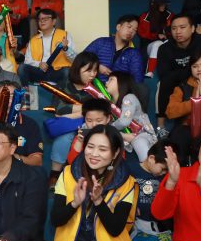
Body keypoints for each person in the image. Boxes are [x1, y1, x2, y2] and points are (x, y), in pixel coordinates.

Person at [48, 52, 99, 181]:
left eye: (95, 70)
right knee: (65, 137)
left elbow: (100, 109)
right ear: (78, 69)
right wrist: (85, 108)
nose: (93, 74)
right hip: (68, 126)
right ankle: (55, 174)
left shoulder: (97, 88)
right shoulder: (64, 85)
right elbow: (58, 109)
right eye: (89, 70)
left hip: (90, 124)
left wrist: (74, 112)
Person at [156, 15, 201, 130]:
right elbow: (163, 74)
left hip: (198, 79)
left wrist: (183, 73)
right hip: (175, 82)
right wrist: (189, 71)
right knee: (163, 83)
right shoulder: (164, 48)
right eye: (174, 28)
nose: (178, 32)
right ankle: (160, 126)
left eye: (182, 27)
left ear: (192, 29)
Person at [125, 140, 174, 241]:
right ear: (151, 158)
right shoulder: (130, 169)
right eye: (163, 168)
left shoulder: (163, 178)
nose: (164, 173)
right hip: (132, 223)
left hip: (152, 224)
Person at [105, 71, 157, 161]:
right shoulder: (110, 102)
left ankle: (149, 164)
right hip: (125, 135)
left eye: (111, 79)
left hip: (140, 133)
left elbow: (124, 121)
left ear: (122, 82)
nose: (106, 82)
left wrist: (109, 128)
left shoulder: (129, 98)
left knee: (139, 142)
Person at [84, 14, 145, 84]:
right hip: (93, 87)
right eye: (129, 27)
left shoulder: (134, 54)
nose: (131, 31)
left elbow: (138, 80)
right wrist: (97, 67)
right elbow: (82, 59)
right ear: (118, 27)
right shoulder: (101, 42)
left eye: (135, 30)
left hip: (118, 90)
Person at [20, 8, 75, 84]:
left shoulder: (64, 35)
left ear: (54, 21)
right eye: (40, 19)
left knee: (67, 71)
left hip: (57, 71)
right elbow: (27, 60)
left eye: (45, 19)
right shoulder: (33, 40)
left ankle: (61, 91)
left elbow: (74, 59)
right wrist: (39, 64)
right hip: (39, 71)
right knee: (22, 68)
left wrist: (66, 49)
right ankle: (26, 90)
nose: (42, 21)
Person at [66, 99, 112, 165]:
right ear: (84, 119)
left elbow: (119, 162)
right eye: (89, 121)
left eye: (99, 121)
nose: (94, 125)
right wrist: (79, 142)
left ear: (108, 119)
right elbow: (72, 162)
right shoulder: (81, 137)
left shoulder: (114, 137)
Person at [138, 0, 175, 77]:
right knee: (158, 44)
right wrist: (157, 36)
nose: (163, 5)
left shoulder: (170, 15)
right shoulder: (145, 17)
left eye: (164, 3)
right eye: (161, 3)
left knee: (168, 44)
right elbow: (143, 34)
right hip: (149, 47)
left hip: (166, 43)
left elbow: (174, 30)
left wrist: (167, 35)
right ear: (153, 4)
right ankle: (149, 71)